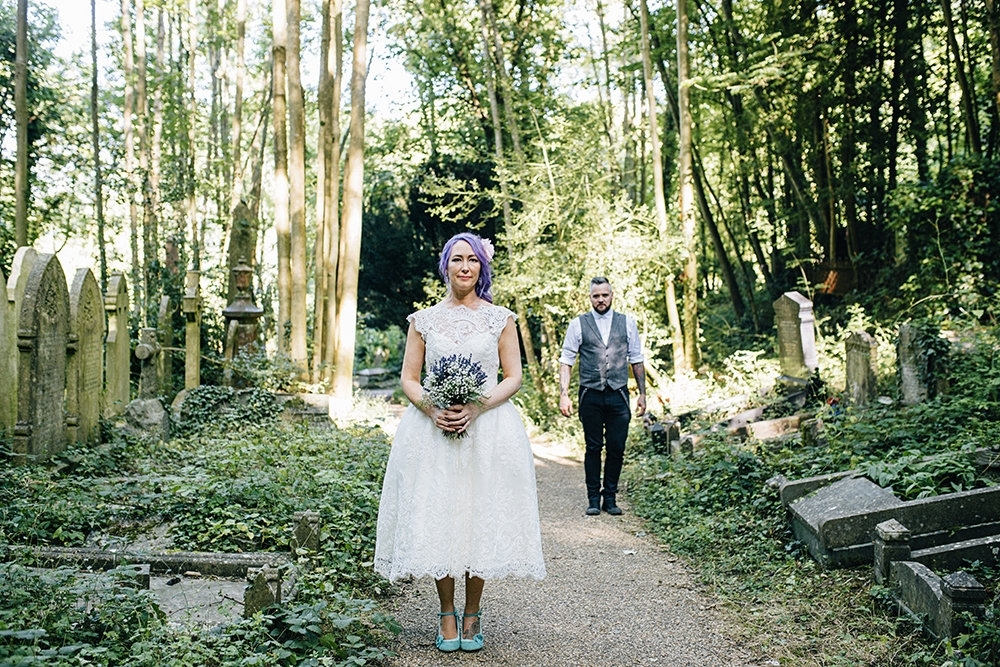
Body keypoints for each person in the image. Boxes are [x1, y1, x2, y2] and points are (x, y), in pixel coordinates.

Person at [374, 232, 546, 653]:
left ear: (482, 267)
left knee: (480, 518)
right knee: (442, 516)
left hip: (488, 431)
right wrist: (433, 409)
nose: (464, 266)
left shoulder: (500, 318)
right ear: (445, 267)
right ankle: (446, 612)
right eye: (457, 259)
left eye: (472, 259)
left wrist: (477, 406)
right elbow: (409, 379)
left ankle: (474, 613)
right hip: (433, 432)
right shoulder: (423, 321)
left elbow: (513, 376)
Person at [559, 277, 646, 516]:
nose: (600, 300)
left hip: (618, 393)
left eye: (604, 295)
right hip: (590, 394)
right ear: (590, 297)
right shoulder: (577, 324)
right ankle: (593, 498)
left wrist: (642, 394)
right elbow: (566, 360)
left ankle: (610, 498)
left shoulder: (627, 322)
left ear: (612, 295)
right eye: (596, 296)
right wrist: (563, 394)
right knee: (593, 447)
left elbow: (636, 359)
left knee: (617, 448)